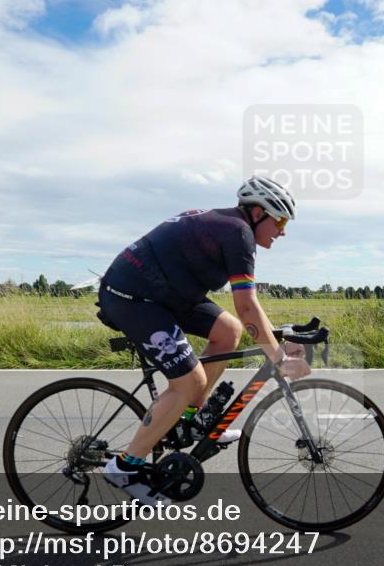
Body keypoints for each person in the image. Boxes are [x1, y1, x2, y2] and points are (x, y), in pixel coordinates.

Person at [96, 176, 311, 504]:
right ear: (257, 213)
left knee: (228, 332)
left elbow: (246, 314)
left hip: (165, 293)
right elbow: (247, 306)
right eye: (279, 220)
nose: (282, 230)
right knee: (188, 380)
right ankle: (125, 466)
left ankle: (190, 422)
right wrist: (278, 357)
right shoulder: (238, 233)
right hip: (133, 296)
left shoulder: (231, 226)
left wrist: (277, 338)